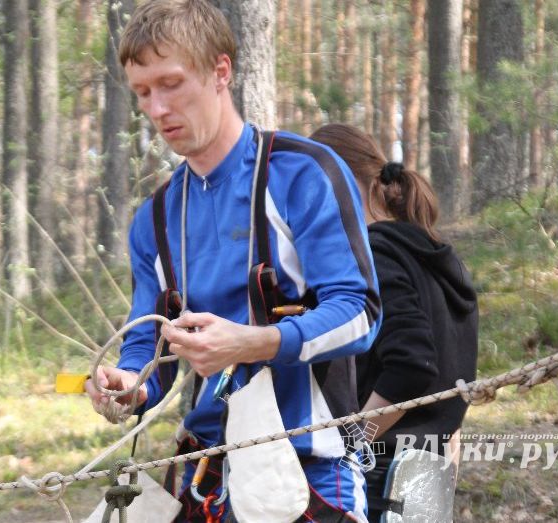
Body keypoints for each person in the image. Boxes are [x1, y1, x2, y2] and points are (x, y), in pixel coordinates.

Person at [84, 1, 382, 521]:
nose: (157, 109)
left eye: (171, 84)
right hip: (206, 473)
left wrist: (256, 342)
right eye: (143, 93)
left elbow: (360, 312)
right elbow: (146, 346)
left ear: (221, 71)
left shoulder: (301, 174)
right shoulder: (154, 220)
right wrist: (128, 385)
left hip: (310, 467)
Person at [309, 123, 478, 522]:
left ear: (340, 185)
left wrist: (348, 448)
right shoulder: (436, 257)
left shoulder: (376, 256)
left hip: (381, 477)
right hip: (426, 472)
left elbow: (412, 366)